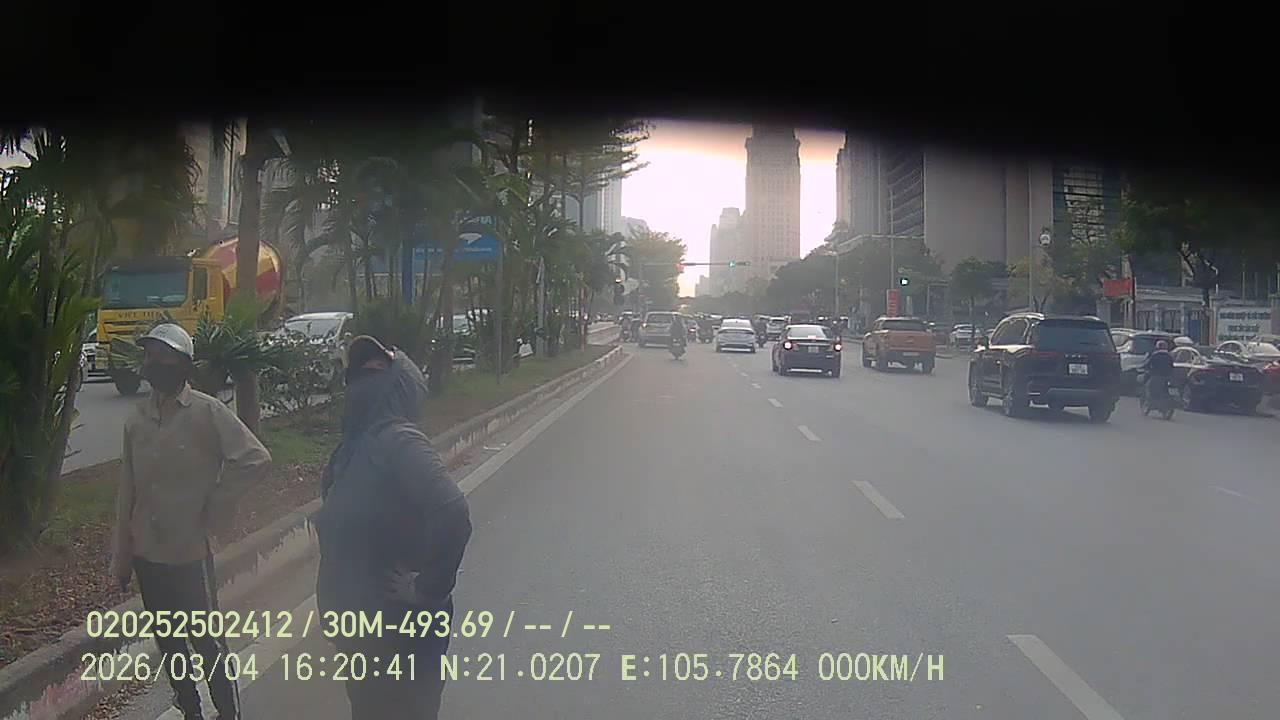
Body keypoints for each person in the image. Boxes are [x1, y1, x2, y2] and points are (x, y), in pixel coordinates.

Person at [110, 323, 271, 720]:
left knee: (207, 642)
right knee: (170, 643)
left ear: (183, 365)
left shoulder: (206, 411)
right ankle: (191, 711)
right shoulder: (137, 420)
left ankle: (229, 712)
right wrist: (122, 557)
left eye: (164, 357)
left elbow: (254, 459)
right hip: (148, 553)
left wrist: (215, 503)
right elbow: (127, 493)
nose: (154, 363)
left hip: (189, 552)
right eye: (150, 356)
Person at [316, 336, 472, 720]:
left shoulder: (400, 441)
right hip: (361, 633)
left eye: (376, 373)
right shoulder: (350, 450)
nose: (362, 385)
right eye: (357, 375)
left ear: (403, 386)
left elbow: (453, 512)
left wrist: (428, 589)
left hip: (402, 630)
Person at [1143, 338, 1175, 404]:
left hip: (1156, 375)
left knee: (1148, 386)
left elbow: (1147, 364)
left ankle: (1149, 402)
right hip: (1166, 376)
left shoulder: (1155, 355)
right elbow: (1172, 366)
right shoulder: (1169, 356)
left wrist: (1148, 370)